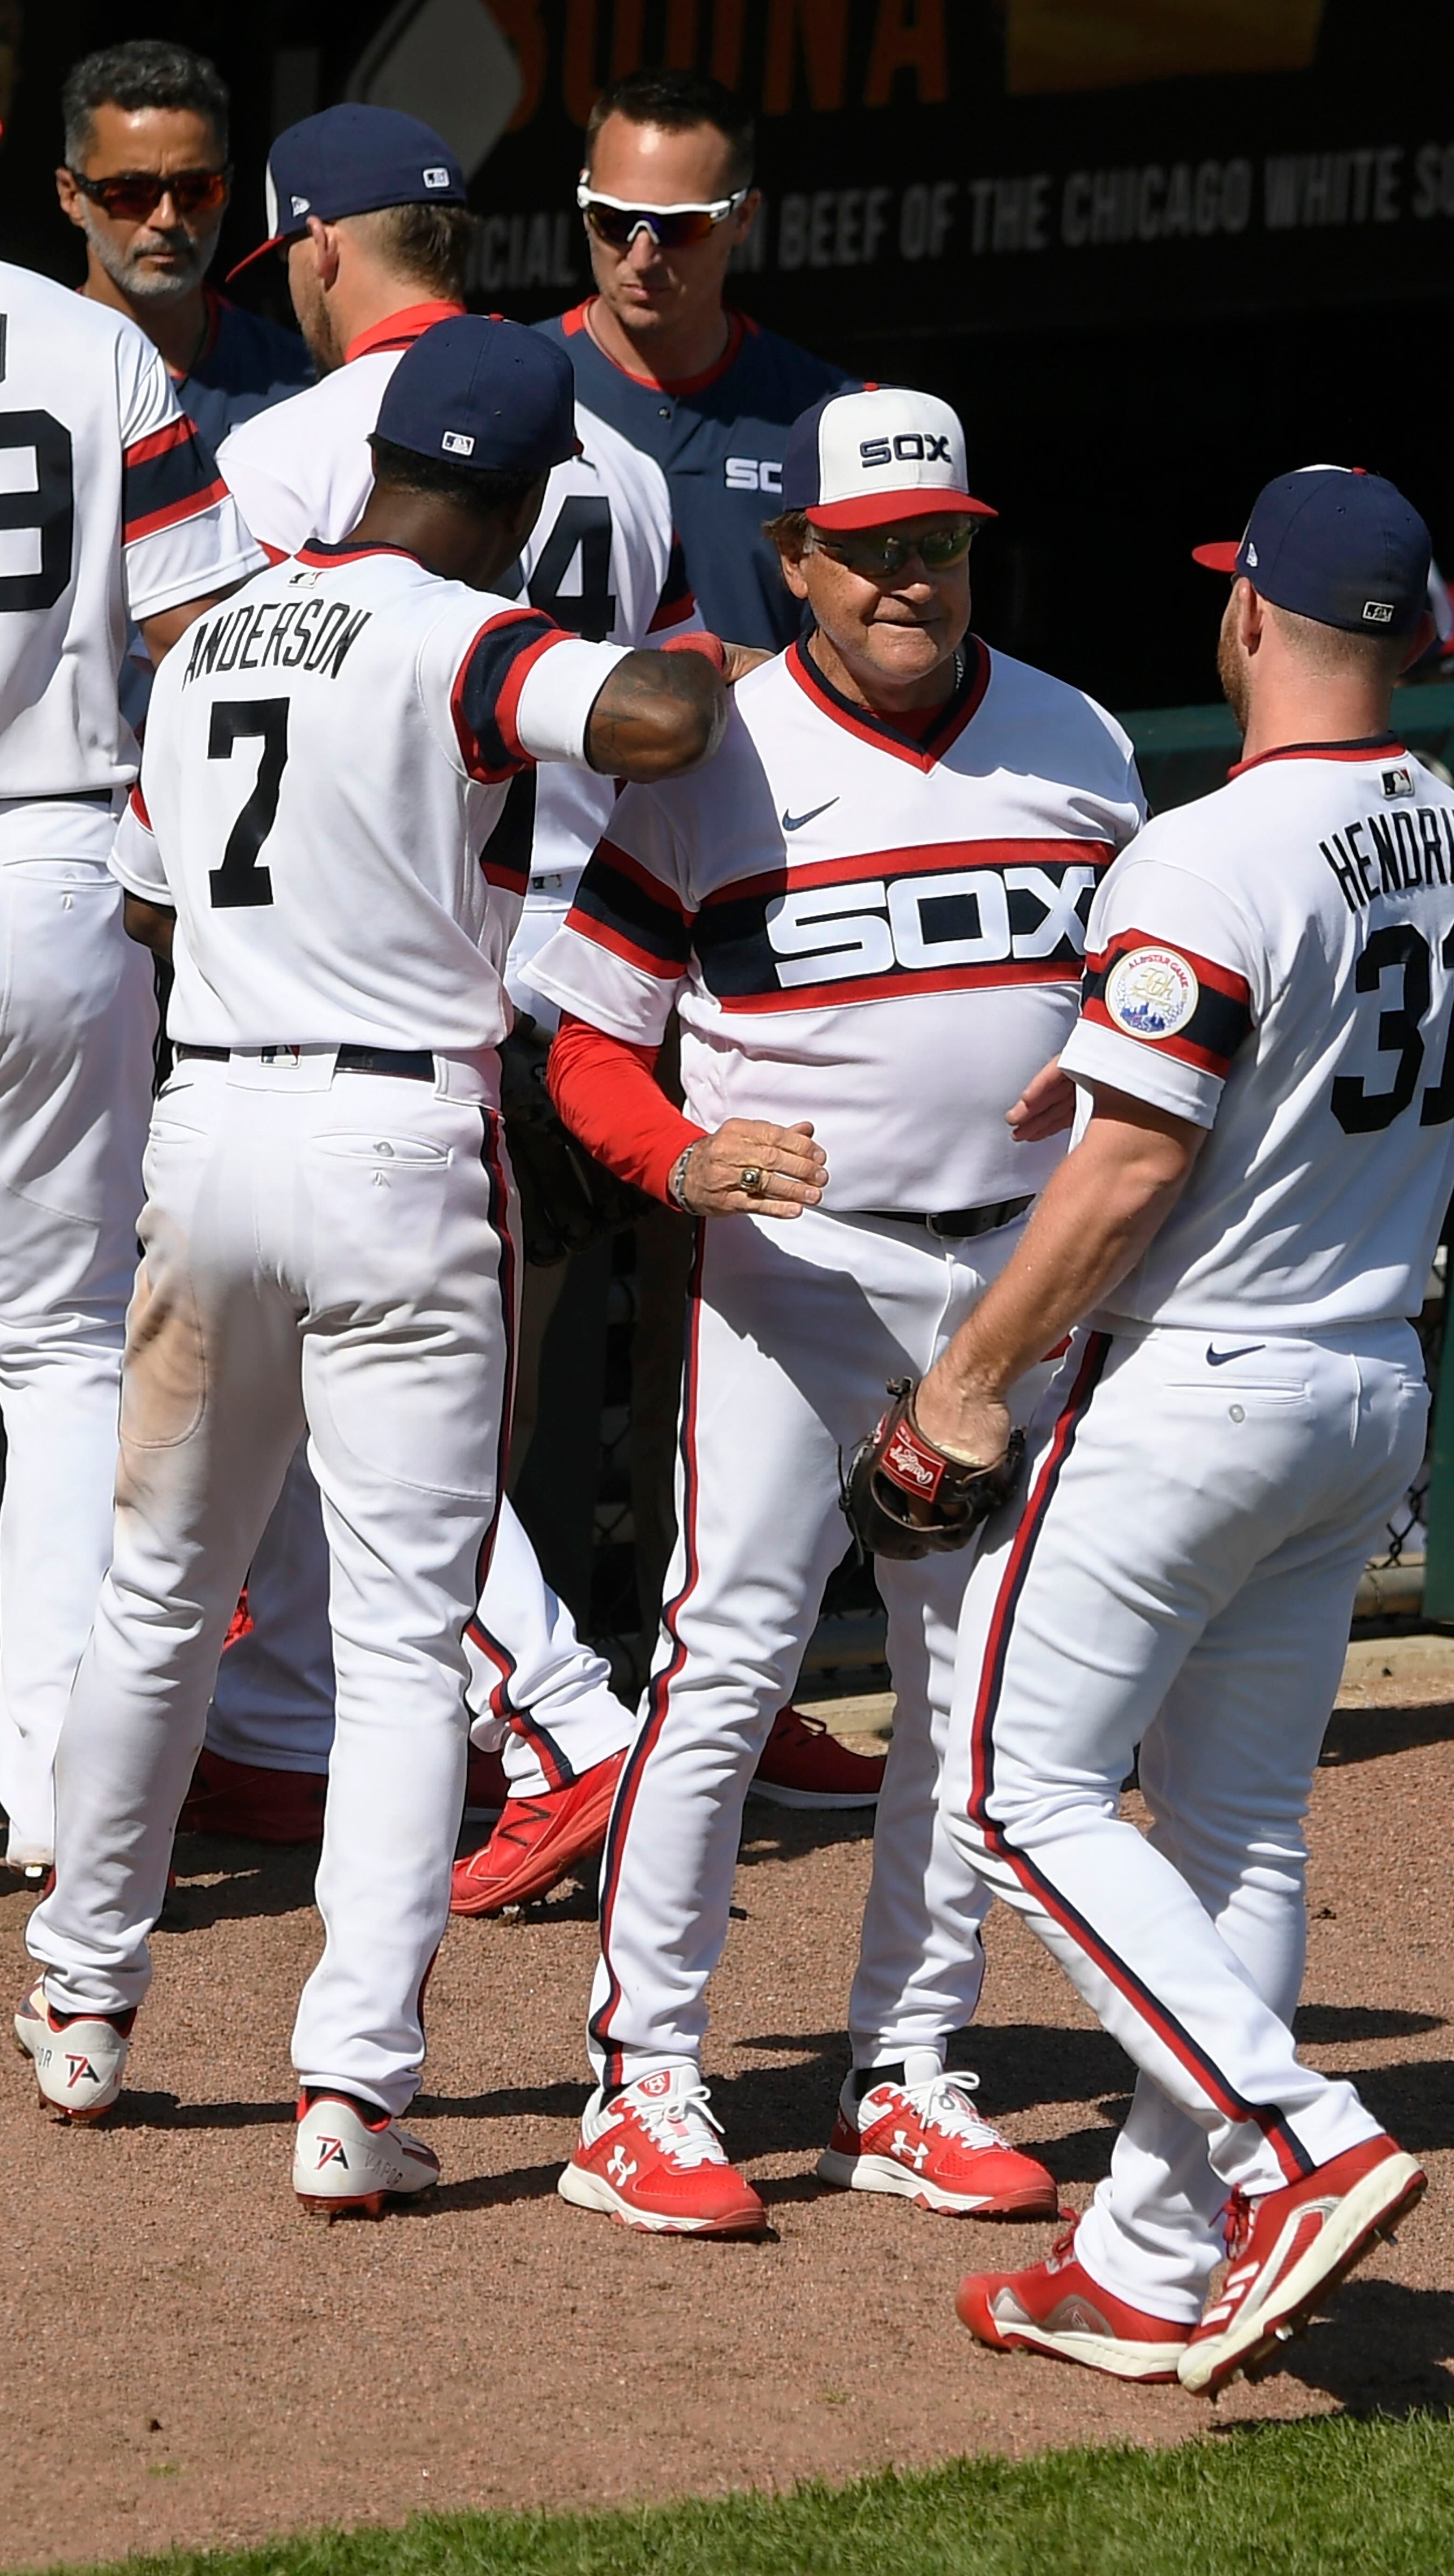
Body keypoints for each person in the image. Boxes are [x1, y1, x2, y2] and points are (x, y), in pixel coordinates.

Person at [17, 319, 726, 2216]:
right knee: (409, 1640)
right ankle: (351, 2090)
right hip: (398, 1140)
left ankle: (82, 2004)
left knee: (158, 1586)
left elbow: (156, 900)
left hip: (211, 1128)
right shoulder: (457, 627)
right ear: (504, 498)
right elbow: (647, 726)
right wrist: (716, 656)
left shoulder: (218, 629)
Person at [901, 466, 1454, 2392]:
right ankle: (1145, 2259)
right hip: (1364, 1380)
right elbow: (1414, 1111)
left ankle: (1292, 2140)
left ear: (1246, 616)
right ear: (1413, 641)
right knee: (1236, 1827)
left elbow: (1121, 1183)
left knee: (1017, 1791)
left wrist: (967, 1374)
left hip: (1194, 1388)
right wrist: (1111, 1091)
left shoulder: (1204, 851)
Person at [212, 102, 862, 1901]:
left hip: (413, 969)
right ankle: (332, 1722)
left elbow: (238, 718)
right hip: (597, 959)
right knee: (463, 1394)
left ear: (322, 250)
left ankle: (560, 1733)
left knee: (402, 1407)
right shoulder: (620, 462)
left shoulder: (290, 451)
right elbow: (662, 700)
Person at [523, 386, 1145, 2236]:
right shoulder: (710, 755)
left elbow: (1147, 1002)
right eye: (868, 553)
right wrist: (683, 1162)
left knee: (969, 1688)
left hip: (1013, 1278)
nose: (907, 584)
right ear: (792, 558)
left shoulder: (1077, 739)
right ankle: (639, 2082)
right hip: (800, 1277)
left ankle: (906, 2066)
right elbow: (585, 1045)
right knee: (724, 1660)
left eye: (936, 547)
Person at [0, 260, 262, 1886]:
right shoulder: (88, 340)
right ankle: (41, 1777)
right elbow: (199, 634)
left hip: (54, 846)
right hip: (53, 857)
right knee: (55, 1347)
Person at [540, 67, 858, 653]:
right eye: (611, 218)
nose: (640, 254)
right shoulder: (508, 386)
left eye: (679, 225)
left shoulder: (832, 420)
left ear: (743, 217)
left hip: (761, 746)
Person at [57, 41, 312, 458]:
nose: (167, 217)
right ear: (71, 197)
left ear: (226, 191)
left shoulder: (297, 384)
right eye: (131, 193)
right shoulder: (22, 379)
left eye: (196, 190)